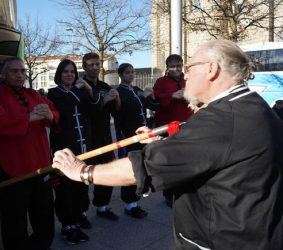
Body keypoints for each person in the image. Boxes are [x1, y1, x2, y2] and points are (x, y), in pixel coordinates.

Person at [52, 39, 283, 250]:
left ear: (211, 69)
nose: (186, 76)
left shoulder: (221, 118)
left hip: (224, 240)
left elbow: (142, 168)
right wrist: (165, 143)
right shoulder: (251, 104)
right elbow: (215, 152)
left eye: (190, 68)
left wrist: (82, 171)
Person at [0, 57, 60, 250]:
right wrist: (29, 118)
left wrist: (49, 114)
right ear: (3, 74)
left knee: (44, 212)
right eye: (14, 71)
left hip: (40, 164)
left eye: (23, 71)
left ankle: (41, 246)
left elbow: (53, 112)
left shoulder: (33, 94)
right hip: (13, 167)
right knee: (14, 219)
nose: (20, 75)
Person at [47, 59, 100, 245]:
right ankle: (66, 226)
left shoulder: (81, 91)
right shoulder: (54, 93)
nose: (69, 74)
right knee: (64, 191)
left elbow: (96, 107)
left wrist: (88, 89)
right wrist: (79, 91)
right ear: (59, 75)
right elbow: (66, 108)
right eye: (65, 72)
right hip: (64, 149)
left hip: (83, 147)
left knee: (80, 188)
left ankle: (75, 223)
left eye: (72, 71)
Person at [79, 52, 121, 228]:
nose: (95, 67)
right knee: (83, 176)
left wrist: (116, 99)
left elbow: (116, 112)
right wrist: (104, 100)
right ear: (84, 67)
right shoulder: (79, 85)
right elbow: (89, 111)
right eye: (91, 65)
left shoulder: (104, 85)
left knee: (106, 172)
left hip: (105, 136)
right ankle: (80, 212)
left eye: (97, 64)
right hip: (87, 137)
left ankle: (102, 207)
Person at [114, 63, 159, 218]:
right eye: (127, 72)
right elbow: (129, 107)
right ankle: (129, 204)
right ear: (121, 75)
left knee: (139, 168)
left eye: (132, 72)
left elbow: (152, 104)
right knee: (131, 168)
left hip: (141, 135)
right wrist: (142, 97)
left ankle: (135, 202)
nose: (131, 75)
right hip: (128, 136)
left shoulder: (136, 90)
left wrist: (151, 95)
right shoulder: (120, 91)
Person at [152, 54, 194, 207]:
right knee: (168, 160)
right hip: (167, 125)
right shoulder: (161, 81)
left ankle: (185, 190)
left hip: (187, 123)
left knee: (187, 158)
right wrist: (172, 95)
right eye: (173, 65)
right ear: (167, 67)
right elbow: (155, 96)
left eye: (179, 65)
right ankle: (169, 193)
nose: (176, 68)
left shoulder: (189, 78)